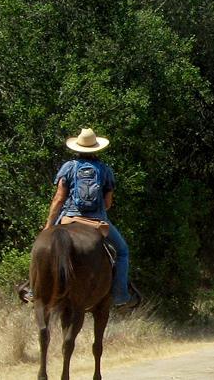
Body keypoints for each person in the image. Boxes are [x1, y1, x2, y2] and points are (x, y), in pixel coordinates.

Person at [21, 128, 137, 308]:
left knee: (41, 247)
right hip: (97, 220)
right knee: (122, 251)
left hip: (68, 217)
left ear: (78, 148)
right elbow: (107, 203)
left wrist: (48, 225)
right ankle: (120, 295)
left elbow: (59, 198)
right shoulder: (105, 170)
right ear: (96, 149)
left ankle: (32, 288)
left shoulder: (69, 167)